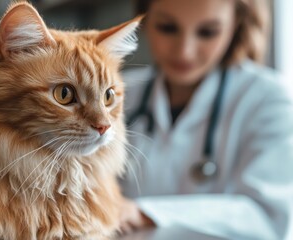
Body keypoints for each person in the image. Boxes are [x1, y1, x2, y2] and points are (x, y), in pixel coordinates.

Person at [118, 0, 293, 239]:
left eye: (208, 32)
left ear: (236, 25)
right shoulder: (115, 92)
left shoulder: (267, 99)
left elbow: (266, 218)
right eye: (168, 28)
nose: (184, 51)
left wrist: (144, 214)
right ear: (144, 19)